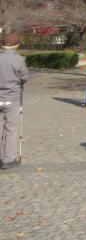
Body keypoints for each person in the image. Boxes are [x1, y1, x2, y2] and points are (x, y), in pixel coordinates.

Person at [0, 33, 30, 169]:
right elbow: (25, 77)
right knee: (11, 128)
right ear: (17, 45)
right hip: (11, 97)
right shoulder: (19, 60)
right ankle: (8, 159)